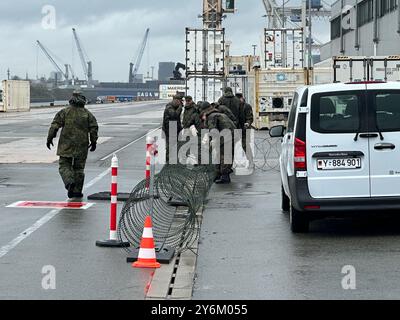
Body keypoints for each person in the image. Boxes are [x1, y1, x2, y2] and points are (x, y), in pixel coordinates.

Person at [46, 90, 98, 198]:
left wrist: (50, 138)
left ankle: (69, 182)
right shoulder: (87, 114)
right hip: (82, 145)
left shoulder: (64, 112)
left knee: (64, 165)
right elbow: (93, 128)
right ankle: (77, 191)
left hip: (66, 145)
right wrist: (93, 142)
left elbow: (54, 125)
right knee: (79, 169)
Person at [199, 102, 236, 184]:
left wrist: (211, 141)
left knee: (224, 156)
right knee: (222, 155)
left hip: (226, 137)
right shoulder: (218, 114)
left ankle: (225, 176)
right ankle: (219, 174)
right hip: (230, 135)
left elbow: (213, 131)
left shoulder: (211, 117)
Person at [162, 94, 183, 163]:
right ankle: (168, 161)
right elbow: (174, 116)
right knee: (170, 146)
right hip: (169, 130)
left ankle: (173, 160)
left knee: (174, 146)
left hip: (174, 129)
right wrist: (180, 108)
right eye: (180, 101)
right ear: (176, 100)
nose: (181, 103)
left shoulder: (174, 107)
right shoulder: (169, 107)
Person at [236, 93, 254, 164]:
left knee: (245, 145)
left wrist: (248, 123)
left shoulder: (246, 106)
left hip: (245, 128)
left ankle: (250, 161)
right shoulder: (235, 106)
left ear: (242, 98)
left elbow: (250, 117)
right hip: (236, 128)